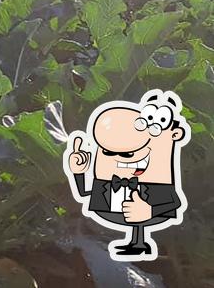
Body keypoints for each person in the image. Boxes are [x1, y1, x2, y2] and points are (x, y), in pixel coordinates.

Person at [63, 89, 190, 261]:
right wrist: (78, 172)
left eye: (128, 154)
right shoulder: (106, 182)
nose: (119, 159)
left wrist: (149, 211)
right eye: (107, 152)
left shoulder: (156, 185)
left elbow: (173, 204)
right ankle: (134, 242)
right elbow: (85, 194)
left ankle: (138, 243)